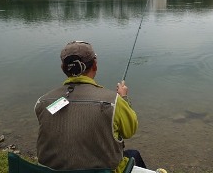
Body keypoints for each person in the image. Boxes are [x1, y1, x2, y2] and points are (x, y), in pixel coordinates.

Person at [35, 40, 146, 172]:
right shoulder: (113, 102)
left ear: (63, 68)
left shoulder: (42, 103)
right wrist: (123, 98)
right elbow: (130, 130)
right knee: (134, 155)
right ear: (95, 65)